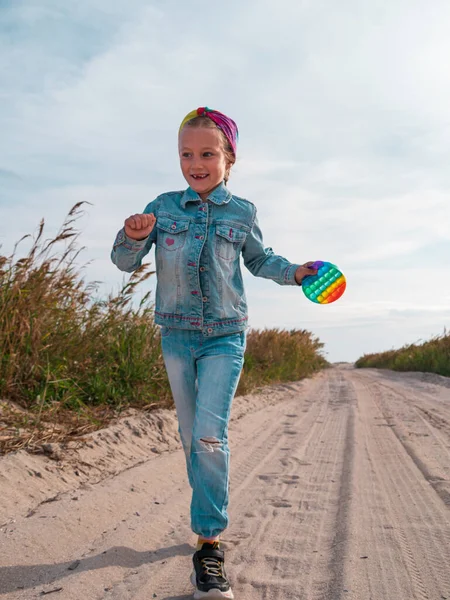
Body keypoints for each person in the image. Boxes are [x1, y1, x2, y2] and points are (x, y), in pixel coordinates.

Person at [111, 106, 318, 599]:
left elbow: (261, 259)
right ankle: (206, 511)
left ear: (229, 158)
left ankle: (209, 543)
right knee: (188, 434)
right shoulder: (161, 206)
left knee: (209, 434)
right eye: (187, 153)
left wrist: (297, 273)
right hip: (177, 335)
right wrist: (133, 235)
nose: (195, 162)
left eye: (207, 153)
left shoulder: (241, 212)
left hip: (226, 334)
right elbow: (124, 262)